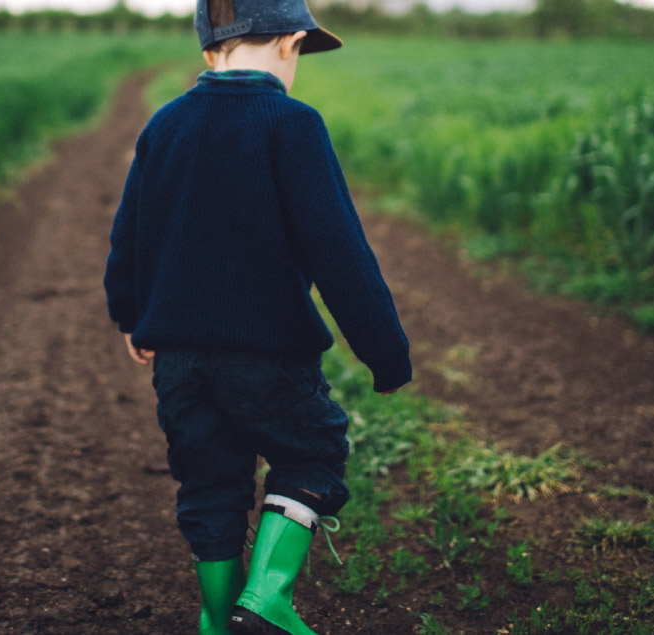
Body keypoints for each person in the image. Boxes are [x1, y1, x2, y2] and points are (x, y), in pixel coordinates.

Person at [103, 0, 412, 631]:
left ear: (209, 50)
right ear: (290, 43)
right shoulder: (290, 124)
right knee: (312, 453)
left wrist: (130, 313)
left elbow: (129, 233)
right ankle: (266, 600)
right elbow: (339, 251)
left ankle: (218, 619)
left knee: (210, 482)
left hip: (180, 363)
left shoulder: (164, 124)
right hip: (267, 356)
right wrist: (385, 352)